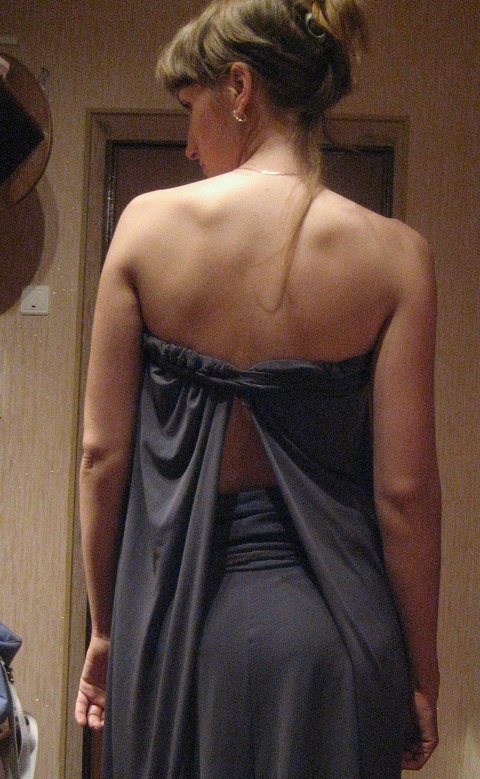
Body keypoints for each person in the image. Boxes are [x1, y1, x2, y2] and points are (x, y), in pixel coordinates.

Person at [75, 1, 441, 777]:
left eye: (191, 107)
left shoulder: (143, 228)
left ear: (238, 87)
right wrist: (421, 670)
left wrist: (105, 630)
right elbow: (405, 496)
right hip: (335, 640)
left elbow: (101, 457)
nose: (187, 143)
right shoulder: (397, 258)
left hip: (178, 633)